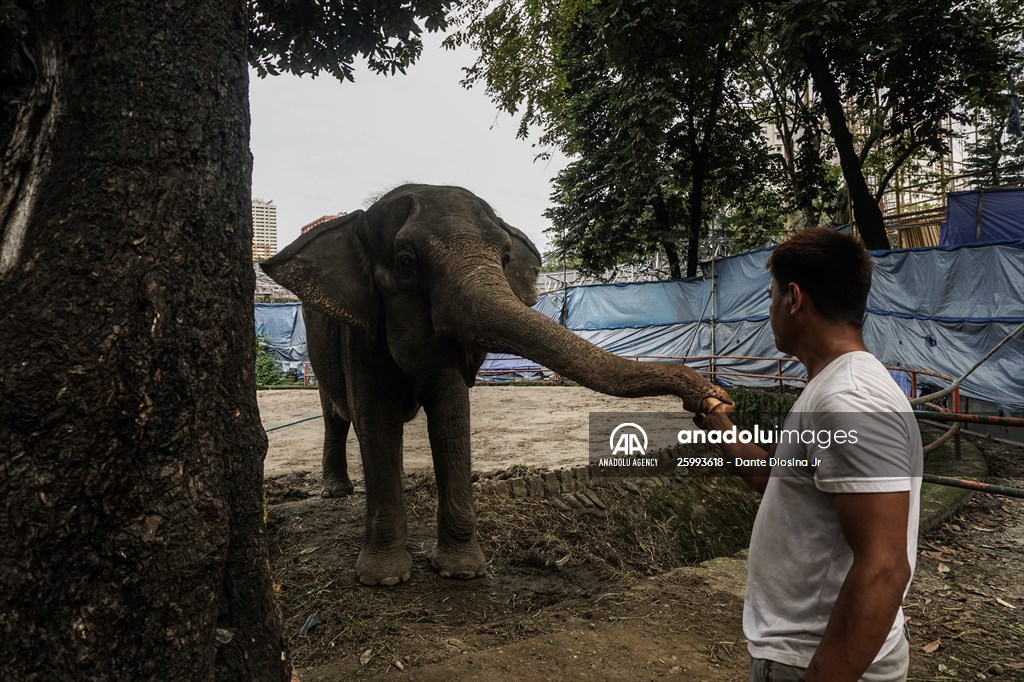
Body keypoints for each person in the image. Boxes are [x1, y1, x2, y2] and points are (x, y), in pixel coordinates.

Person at [696, 228, 922, 681]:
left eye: (771, 296)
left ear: (794, 298)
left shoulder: (850, 400)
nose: (770, 310)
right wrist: (720, 426)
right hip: (802, 650)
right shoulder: (835, 387)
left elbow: (884, 568)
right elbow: (777, 479)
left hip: (812, 660)